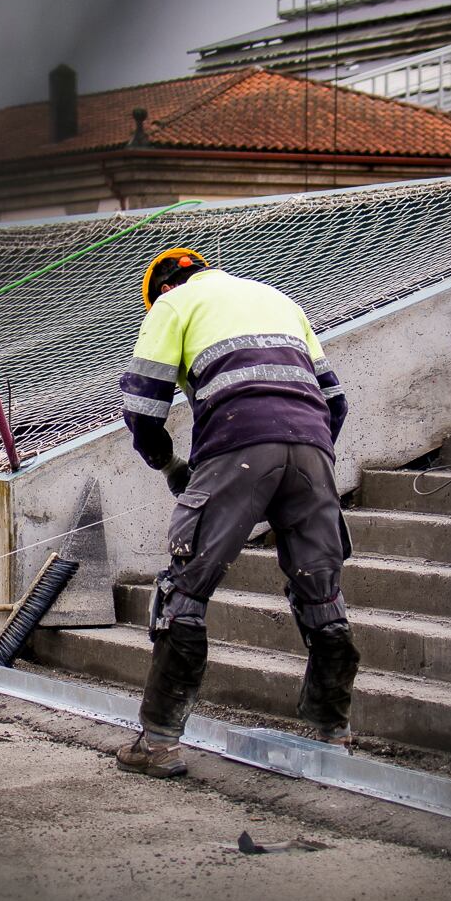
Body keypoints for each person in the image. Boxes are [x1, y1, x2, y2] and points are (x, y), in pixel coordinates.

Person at [112, 246, 359, 775]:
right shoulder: (279, 299)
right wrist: (298, 470)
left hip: (236, 445)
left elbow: (142, 406)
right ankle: (334, 734)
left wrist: (171, 464)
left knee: (184, 591)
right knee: (322, 591)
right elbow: (335, 401)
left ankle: (158, 744)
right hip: (312, 448)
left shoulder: (171, 306)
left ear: (161, 289)